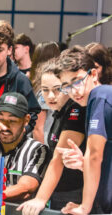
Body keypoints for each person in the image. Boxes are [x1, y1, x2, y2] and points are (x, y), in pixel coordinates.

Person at [17, 59, 86, 214]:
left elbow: (58, 158)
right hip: (58, 190)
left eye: (57, 89)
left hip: (73, 193)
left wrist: (40, 198)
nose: (50, 96)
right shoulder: (59, 111)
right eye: (45, 90)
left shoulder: (75, 110)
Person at [51, 46, 112, 214]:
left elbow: (94, 156)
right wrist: (84, 164)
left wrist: (84, 207)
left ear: (93, 74)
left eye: (77, 80)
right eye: (67, 86)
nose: (75, 91)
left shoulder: (100, 96)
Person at [30, 42, 60, 144]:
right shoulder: (43, 89)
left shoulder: (35, 81)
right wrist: (43, 155)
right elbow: (38, 128)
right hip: (45, 143)